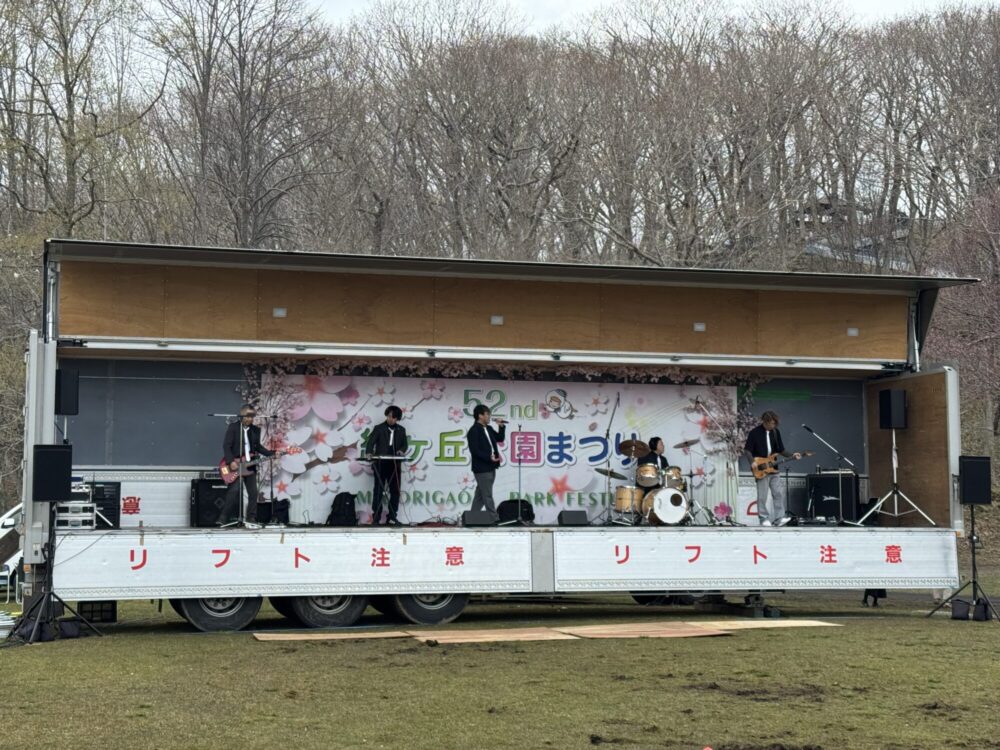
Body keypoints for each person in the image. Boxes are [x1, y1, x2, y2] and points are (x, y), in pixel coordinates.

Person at [217, 404, 280, 527]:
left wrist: (272, 454)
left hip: (250, 466)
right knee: (234, 490)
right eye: (248, 416)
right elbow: (226, 446)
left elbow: (258, 447)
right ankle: (223, 517)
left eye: (252, 417)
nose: (250, 419)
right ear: (242, 415)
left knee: (253, 493)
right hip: (235, 465)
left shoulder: (255, 430)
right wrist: (230, 461)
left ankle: (251, 518)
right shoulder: (233, 427)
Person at [743, 411, 800, 526]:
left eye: (775, 423)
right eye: (772, 423)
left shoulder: (775, 432)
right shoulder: (754, 433)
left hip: (773, 468)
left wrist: (792, 455)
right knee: (762, 496)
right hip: (761, 468)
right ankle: (763, 519)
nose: (774, 426)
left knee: (777, 493)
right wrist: (752, 462)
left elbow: (781, 450)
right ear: (765, 421)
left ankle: (779, 518)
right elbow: (747, 450)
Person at [366, 405, 408, 526]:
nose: (391, 419)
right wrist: (369, 452)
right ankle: (376, 517)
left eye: (394, 417)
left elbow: (405, 445)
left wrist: (401, 450)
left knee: (395, 491)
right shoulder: (379, 428)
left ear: (397, 419)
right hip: (380, 464)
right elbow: (371, 442)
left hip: (394, 465)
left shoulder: (401, 430)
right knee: (378, 491)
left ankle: (392, 517)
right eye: (389, 416)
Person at [466, 404, 506, 522]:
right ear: (480, 415)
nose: (489, 417)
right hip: (482, 468)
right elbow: (475, 451)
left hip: (491, 466)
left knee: (480, 495)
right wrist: (489, 458)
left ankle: (472, 518)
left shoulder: (488, 428)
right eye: (487, 414)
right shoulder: (474, 430)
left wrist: (501, 427)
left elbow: (500, 438)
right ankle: (494, 519)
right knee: (487, 495)